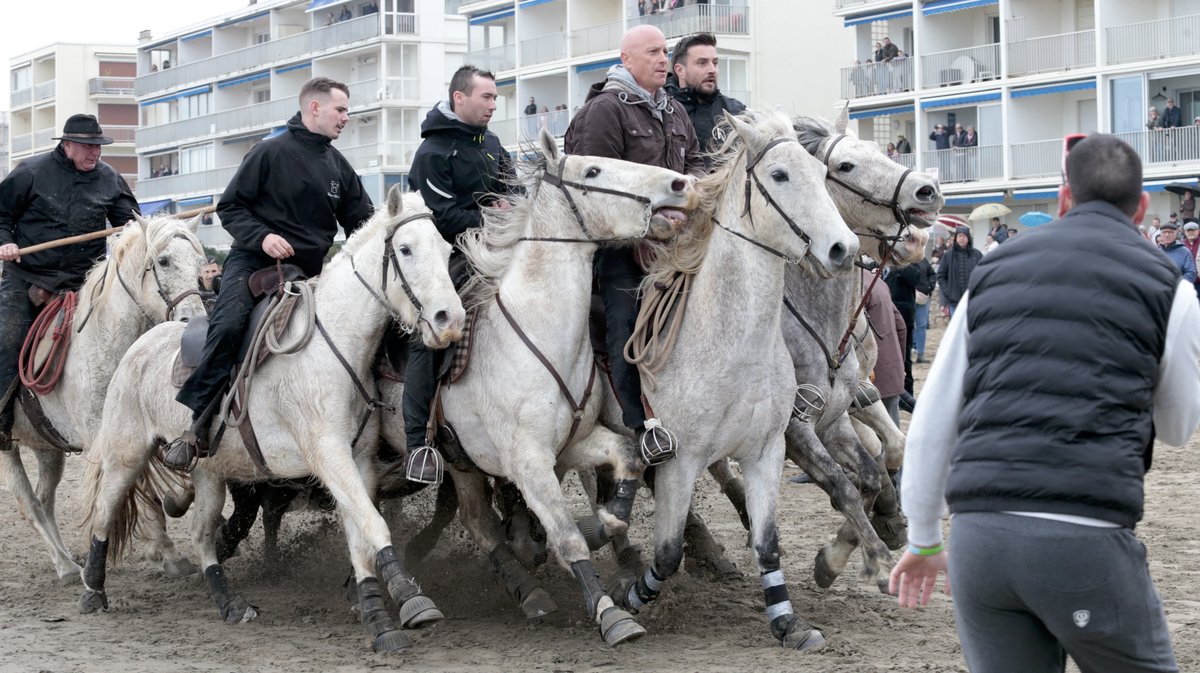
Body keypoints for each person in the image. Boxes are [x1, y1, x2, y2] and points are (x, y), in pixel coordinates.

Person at [889, 133, 1200, 673]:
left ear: (1063, 199)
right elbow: (1177, 427)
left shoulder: (992, 273)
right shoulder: (1170, 288)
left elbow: (936, 415)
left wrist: (922, 535)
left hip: (980, 539)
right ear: (1142, 207)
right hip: (1085, 534)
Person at [164, 77, 373, 470]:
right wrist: (263, 238)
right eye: (340, 110)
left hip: (310, 274)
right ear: (315, 108)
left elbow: (363, 223)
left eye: (347, 110)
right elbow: (231, 208)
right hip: (253, 263)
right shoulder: (269, 152)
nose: (346, 117)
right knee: (227, 327)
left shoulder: (339, 167)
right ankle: (196, 427)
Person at [564, 24, 704, 460]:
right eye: (653, 53)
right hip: (620, 250)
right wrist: (644, 230)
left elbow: (696, 165)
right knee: (624, 325)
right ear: (626, 60)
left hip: (675, 247)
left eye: (665, 52)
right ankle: (640, 424)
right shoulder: (605, 110)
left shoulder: (675, 111)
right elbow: (597, 192)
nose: (663, 60)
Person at [0, 114, 139, 452]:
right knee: (7, 337)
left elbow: (131, 225)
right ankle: (2, 420)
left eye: (98, 147)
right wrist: (5, 240)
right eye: (89, 146)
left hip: (85, 281)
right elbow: (1, 214)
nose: (96, 153)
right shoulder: (30, 173)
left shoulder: (110, 179)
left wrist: (133, 233)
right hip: (29, 278)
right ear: (67, 145)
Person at [402, 65, 512, 483]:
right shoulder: (432, 153)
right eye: (486, 97)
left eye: (495, 98)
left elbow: (514, 190)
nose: (493, 104)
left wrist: (510, 212)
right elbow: (442, 217)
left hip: (499, 247)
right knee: (428, 336)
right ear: (458, 99)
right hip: (449, 257)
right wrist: (490, 216)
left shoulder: (494, 143)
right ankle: (417, 443)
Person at [665, 32, 746, 164]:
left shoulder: (736, 112)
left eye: (715, 63)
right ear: (680, 70)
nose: (712, 70)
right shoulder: (661, 108)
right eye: (702, 63)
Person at [866, 265, 907, 426]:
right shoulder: (879, 283)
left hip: (871, 372)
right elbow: (901, 326)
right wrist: (899, 362)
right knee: (892, 427)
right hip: (892, 367)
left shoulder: (856, 284)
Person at [936, 225, 981, 317]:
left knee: (971, 329)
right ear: (956, 238)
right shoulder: (948, 255)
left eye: (964, 236)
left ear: (968, 238)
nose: (962, 238)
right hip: (954, 301)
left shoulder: (977, 254)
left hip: (973, 300)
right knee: (956, 330)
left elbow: (984, 273)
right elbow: (941, 276)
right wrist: (948, 291)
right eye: (959, 236)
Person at [910, 257, 936, 364]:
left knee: (921, 326)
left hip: (923, 297)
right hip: (908, 297)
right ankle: (909, 353)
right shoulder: (904, 259)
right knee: (909, 325)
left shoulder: (923, 260)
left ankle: (920, 354)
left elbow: (932, 274)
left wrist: (930, 287)